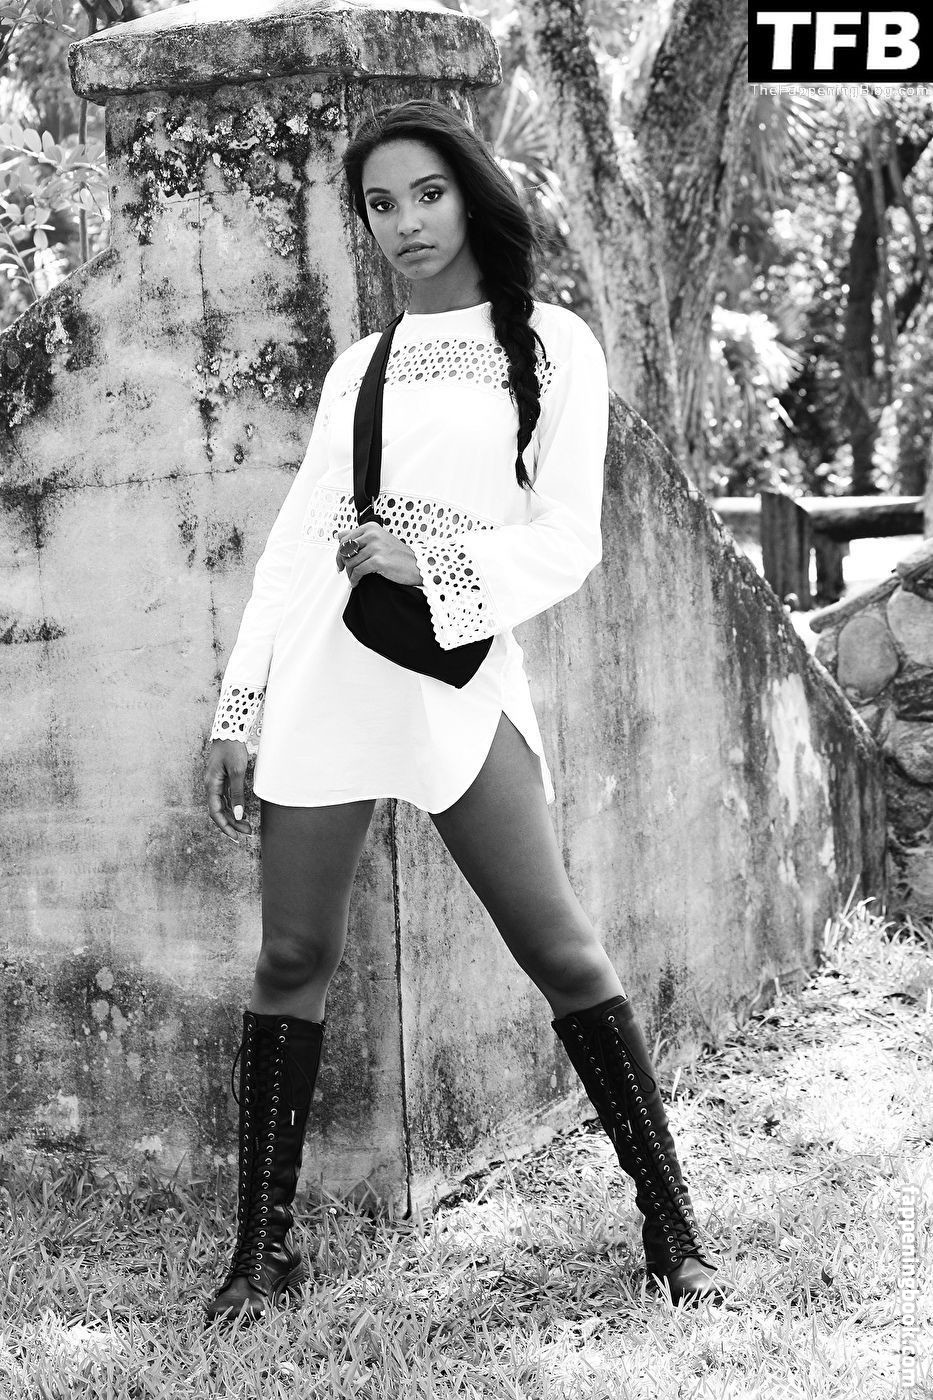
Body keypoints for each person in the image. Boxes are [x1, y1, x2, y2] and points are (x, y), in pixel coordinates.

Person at [202, 99, 728, 1324]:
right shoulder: (360, 367)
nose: (406, 222)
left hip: (454, 672)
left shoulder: (552, 345)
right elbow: (295, 549)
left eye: (427, 192)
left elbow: (570, 540)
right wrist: (242, 703)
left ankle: (672, 1226)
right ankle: (260, 1255)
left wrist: (428, 564)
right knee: (291, 956)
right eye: (380, 203)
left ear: (472, 192)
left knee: (561, 948)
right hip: (327, 674)